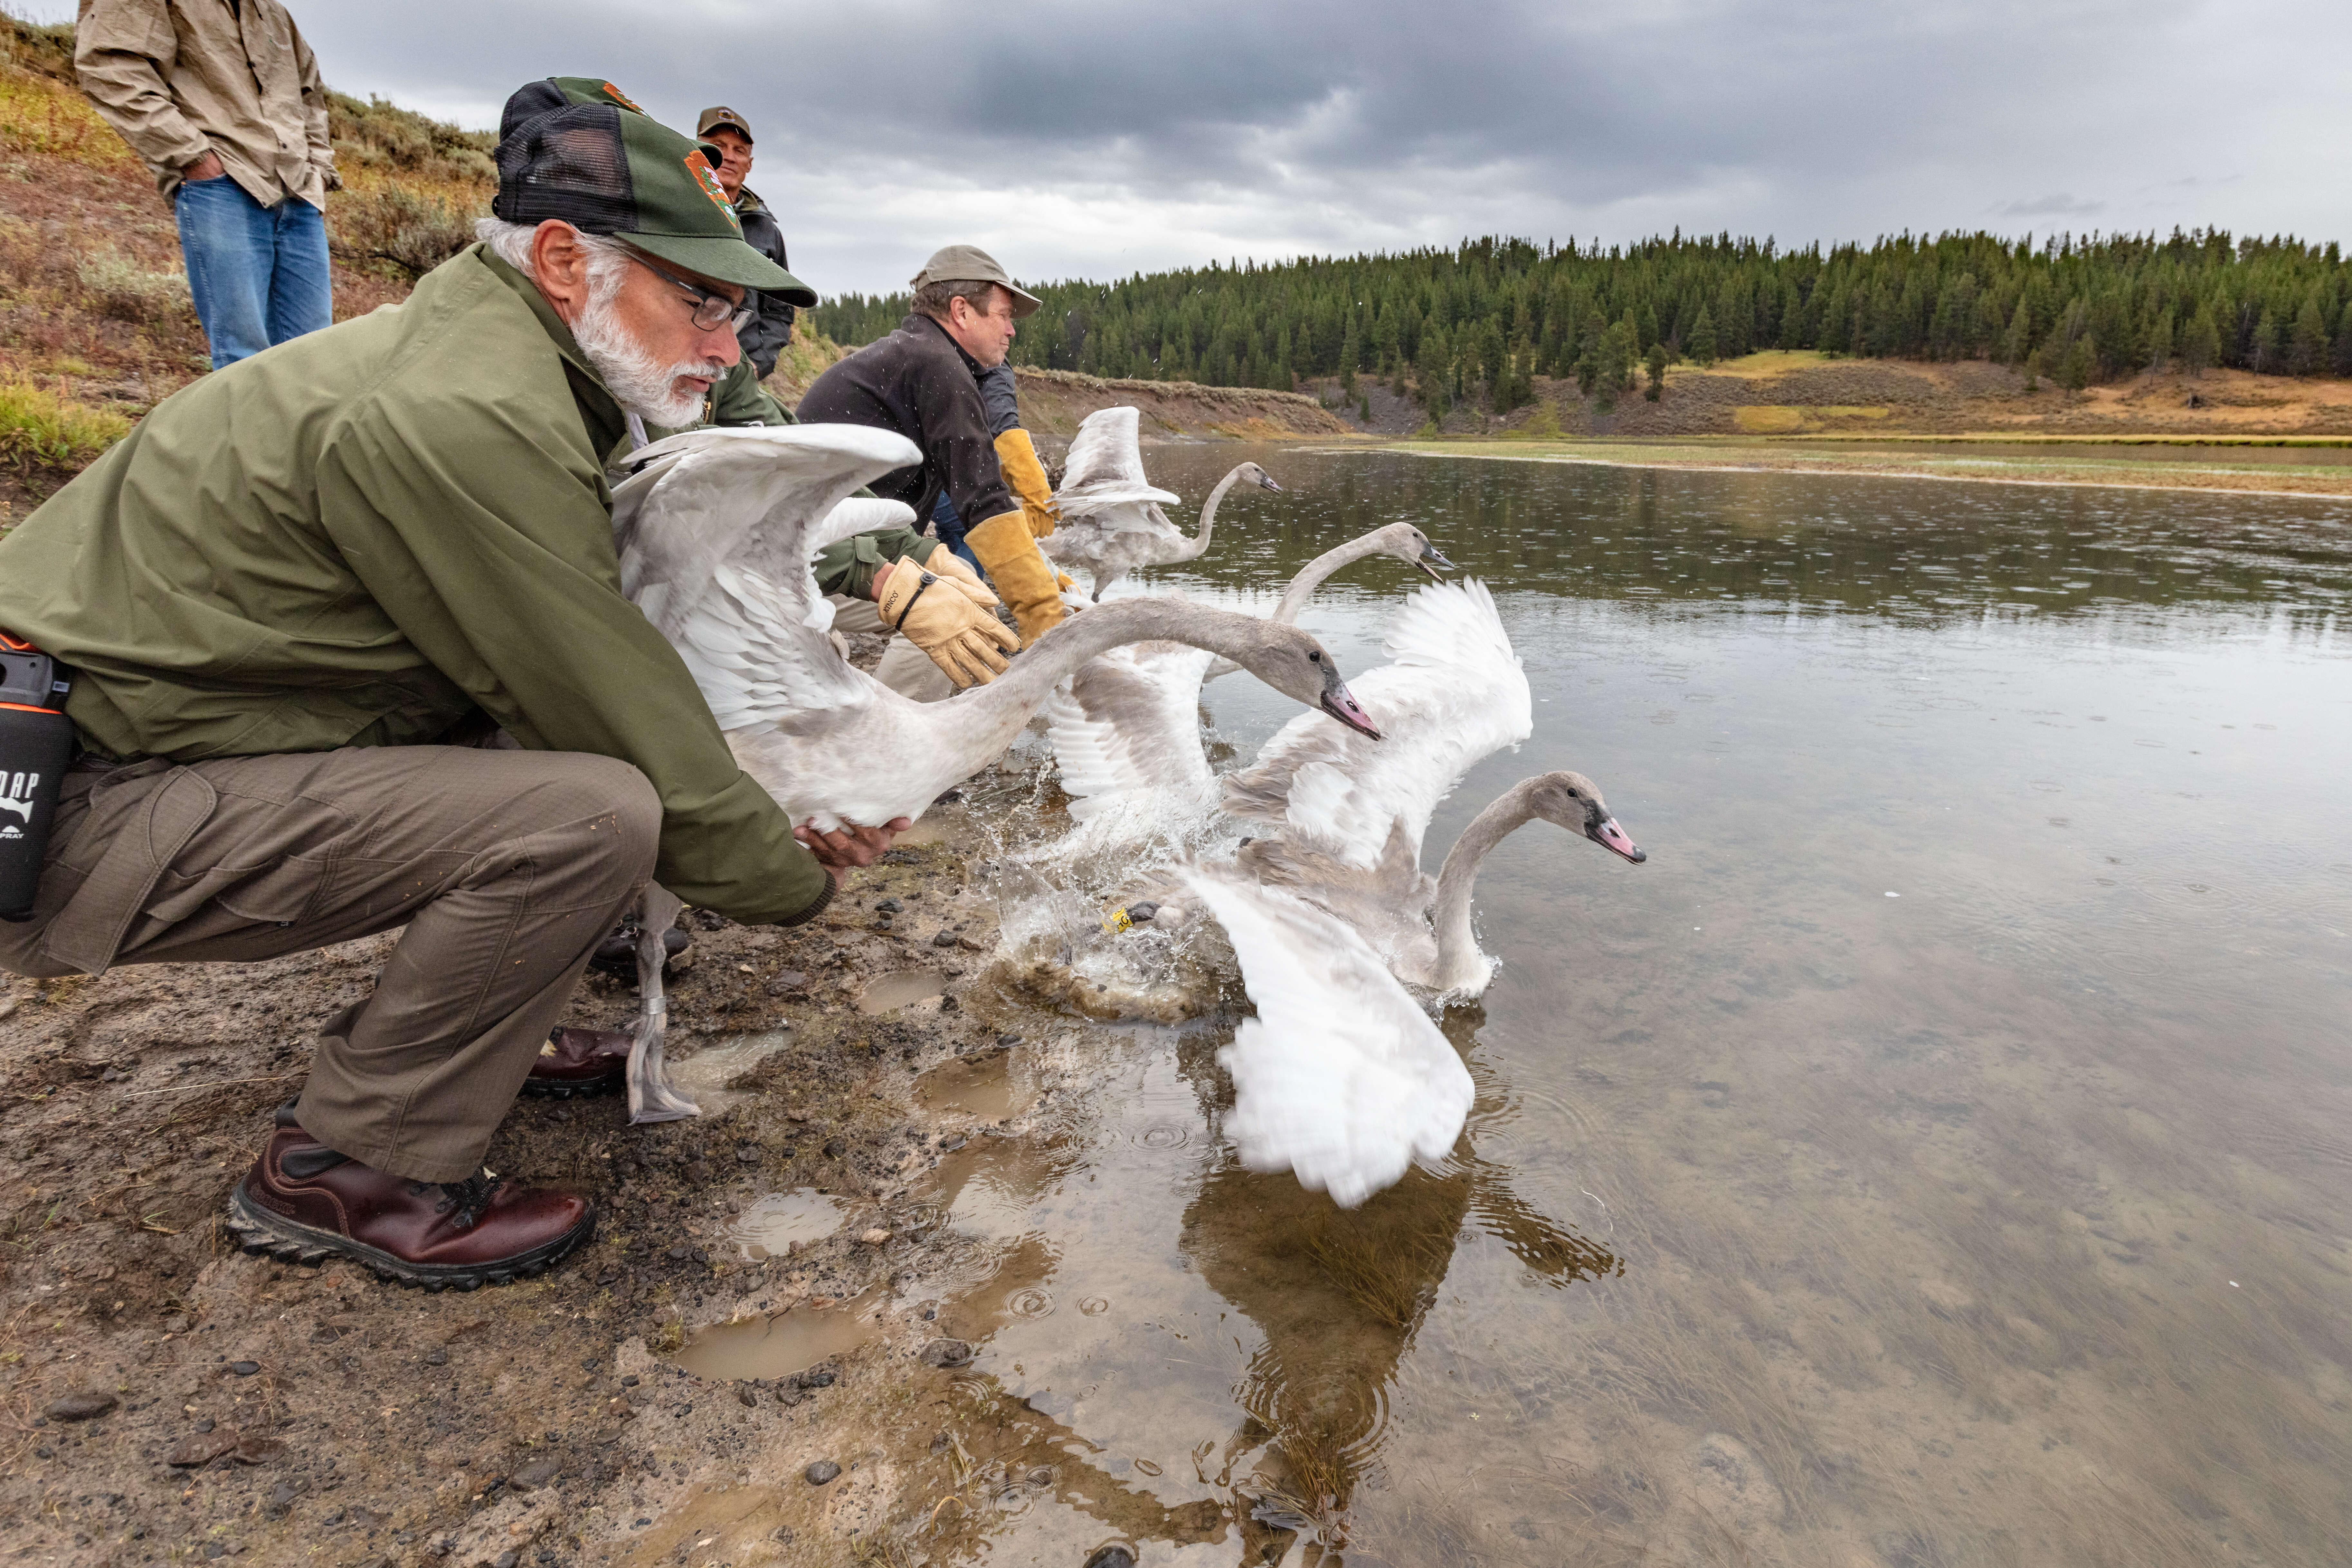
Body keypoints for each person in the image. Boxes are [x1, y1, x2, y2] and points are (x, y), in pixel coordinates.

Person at [0, 90, 988, 1289]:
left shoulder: (515, 363)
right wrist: (795, 866)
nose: (728, 347)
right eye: (704, 303)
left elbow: (645, 592)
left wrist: (858, 594)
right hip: (57, 804)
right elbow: (619, 711)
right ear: (566, 261)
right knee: (595, 808)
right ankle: (355, 1163)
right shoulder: (467, 417)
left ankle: (483, 1031)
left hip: (115, 746)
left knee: (555, 755)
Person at [799, 245, 1069, 658]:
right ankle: (903, 720)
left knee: (957, 588)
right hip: (812, 564)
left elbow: (977, 488)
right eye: (1004, 315)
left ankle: (885, 703)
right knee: (962, 610)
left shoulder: (917, 353)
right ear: (961, 311)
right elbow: (983, 500)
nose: (1012, 331)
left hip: (833, 550)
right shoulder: (936, 365)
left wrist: (1047, 573)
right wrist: (1042, 611)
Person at [75, 0, 336, 368]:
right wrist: (196, 158)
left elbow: (309, 93)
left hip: (299, 193)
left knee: (317, 359)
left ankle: (302, 430)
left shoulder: (270, 10)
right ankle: (243, 429)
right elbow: (110, 67)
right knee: (244, 359)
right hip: (225, 187)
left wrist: (319, 168)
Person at [695, 105, 796, 382]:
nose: (729, 157)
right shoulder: (676, 212)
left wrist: (758, 365)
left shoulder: (766, 231)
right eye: (718, 146)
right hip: (682, 365)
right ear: (695, 150)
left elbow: (780, 310)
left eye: (739, 150)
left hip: (740, 374)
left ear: (749, 163)